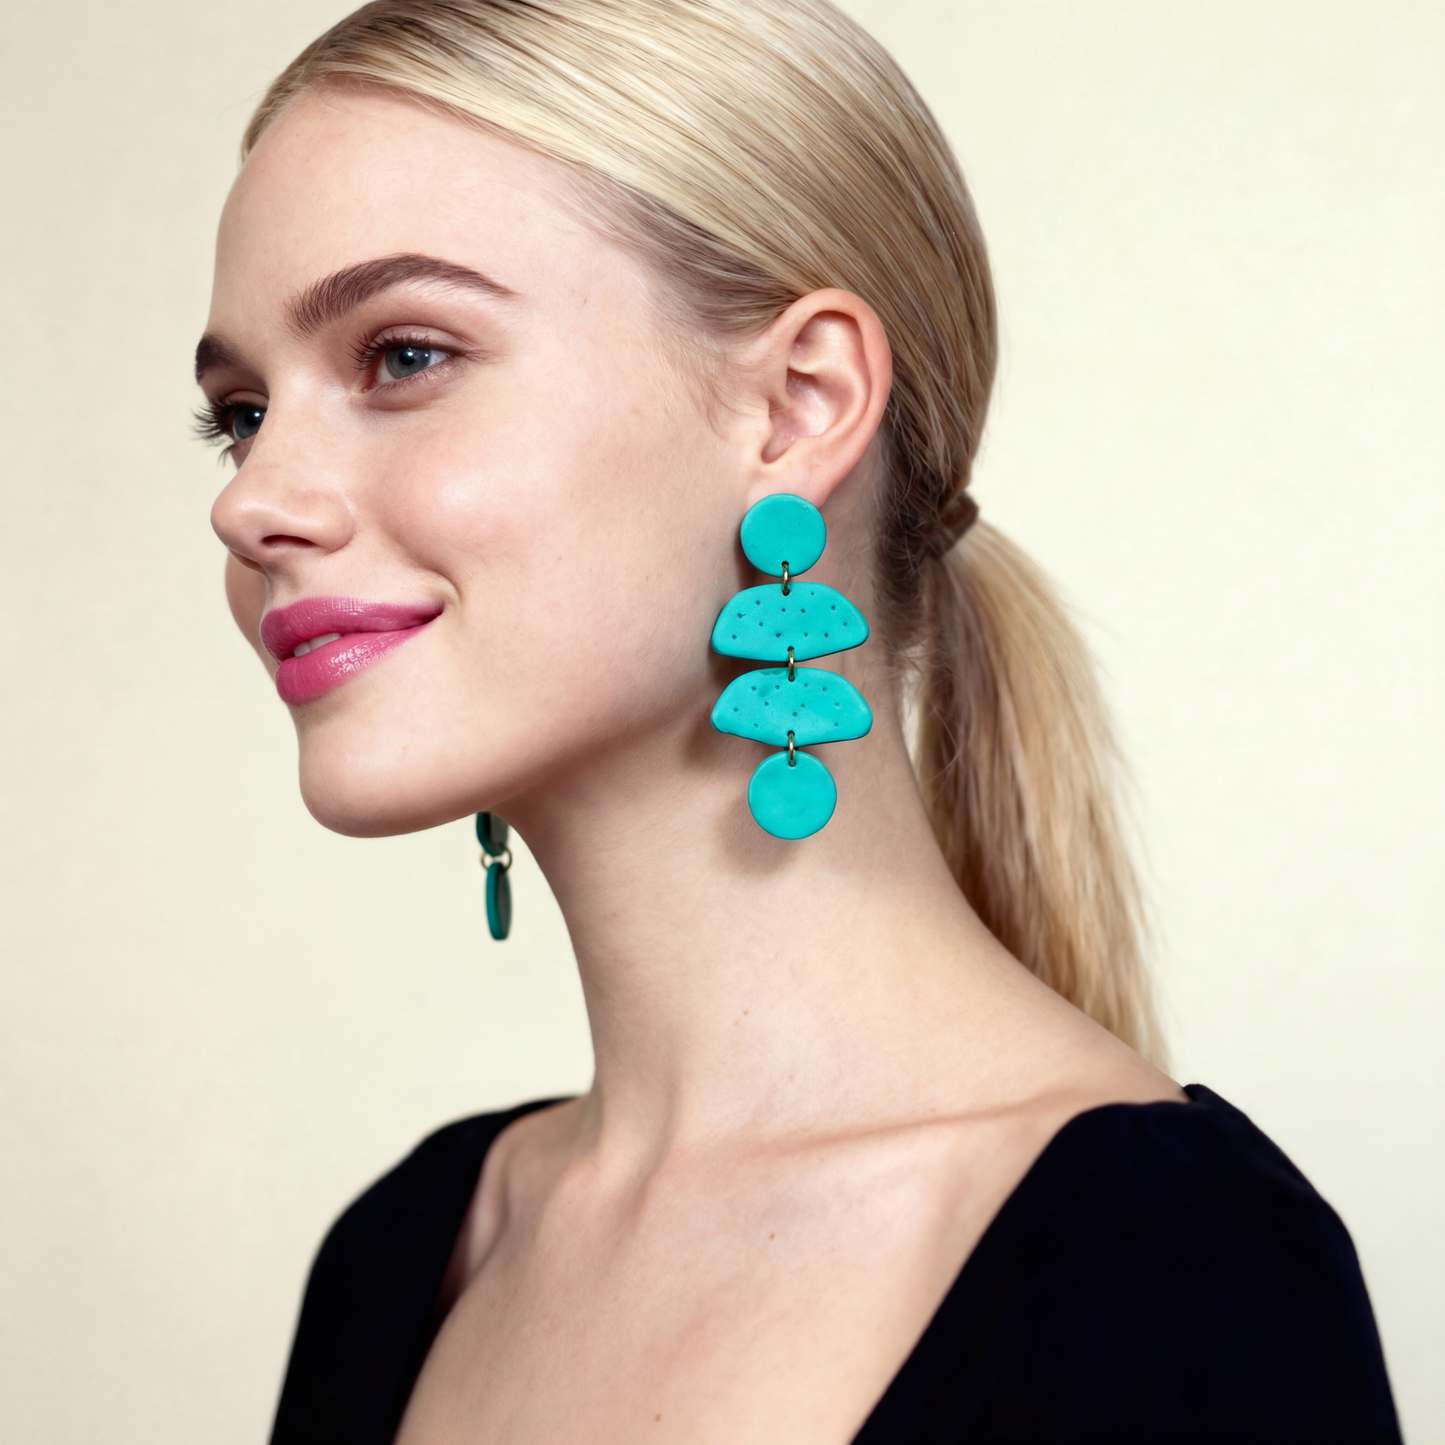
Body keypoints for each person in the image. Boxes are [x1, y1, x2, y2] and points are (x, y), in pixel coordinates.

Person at [197, 1, 1402, 1439]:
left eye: (404, 356)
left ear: (795, 406)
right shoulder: (407, 1262)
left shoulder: (1175, 1272)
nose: (251, 500)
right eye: (241, 411)